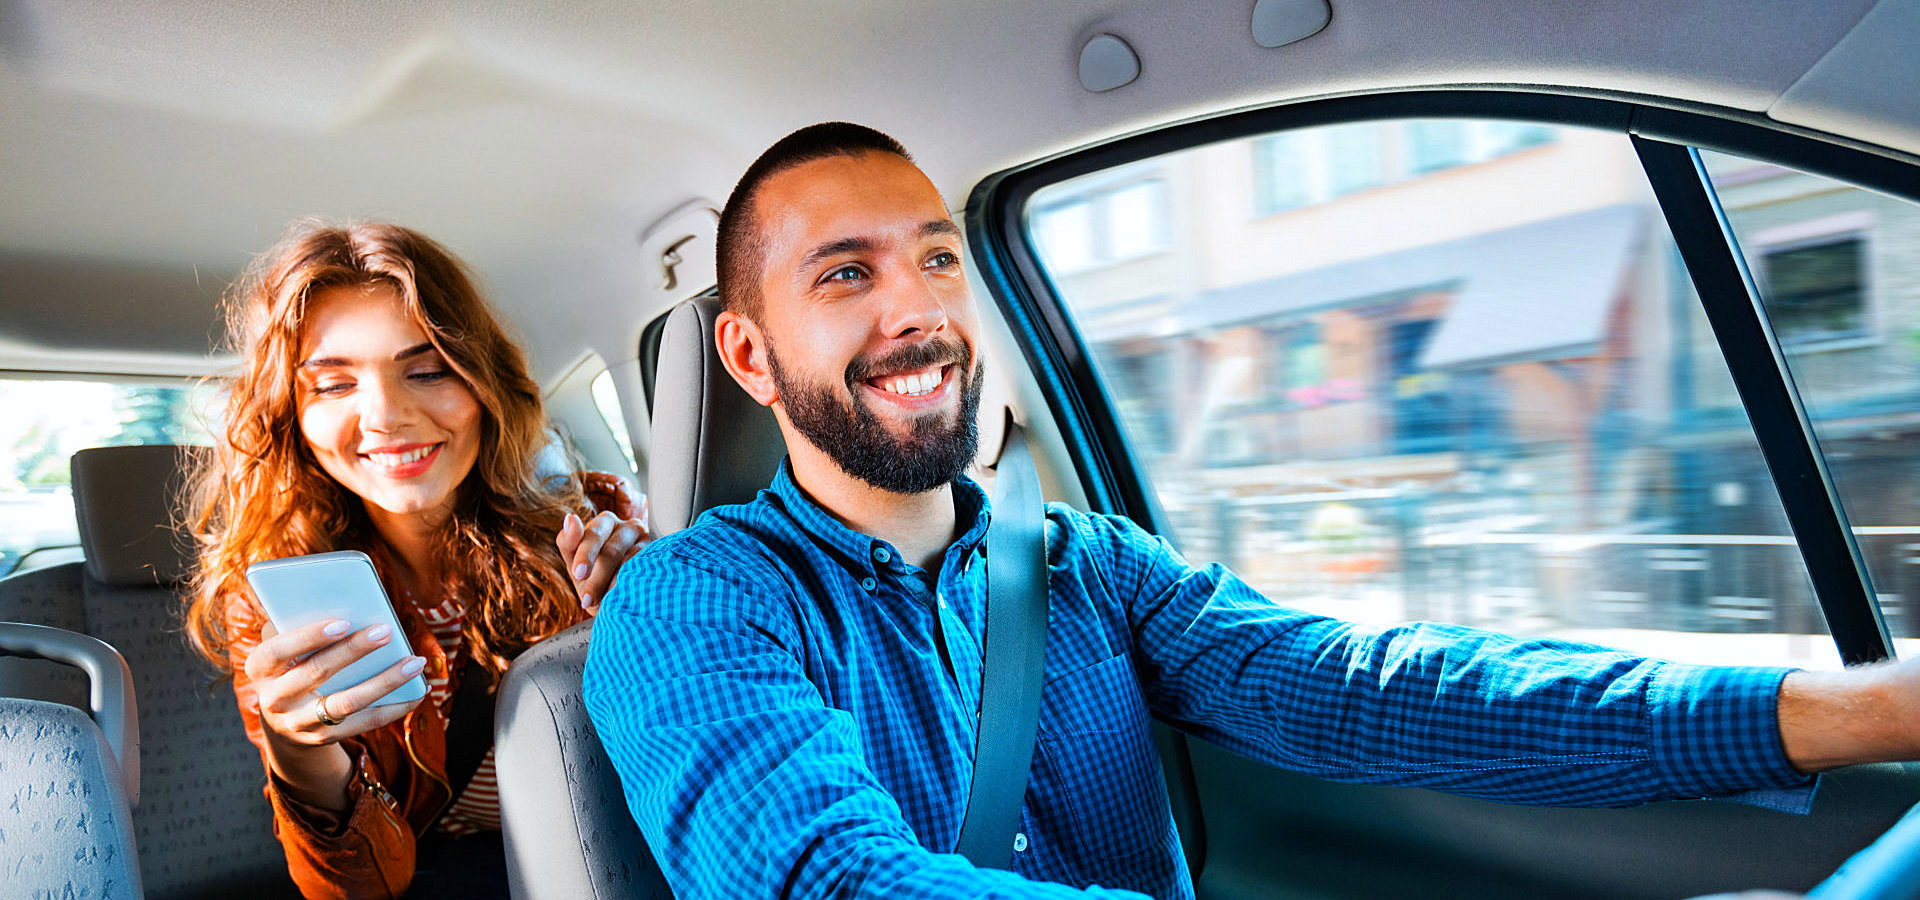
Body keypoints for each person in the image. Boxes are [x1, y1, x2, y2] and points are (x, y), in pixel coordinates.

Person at [582, 123, 1920, 899]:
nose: (918, 304)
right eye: (844, 274)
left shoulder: (1085, 567)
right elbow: (833, 882)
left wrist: (1863, 709)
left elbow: (1377, 691)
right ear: (750, 358)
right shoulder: (695, 601)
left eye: (937, 253)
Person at [186, 220, 648, 900]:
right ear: (292, 416)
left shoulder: (597, 527)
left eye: (426, 369)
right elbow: (357, 891)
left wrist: (642, 620)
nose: (385, 416)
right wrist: (299, 749)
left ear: (483, 383)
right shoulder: (271, 605)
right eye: (332, 385)